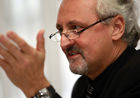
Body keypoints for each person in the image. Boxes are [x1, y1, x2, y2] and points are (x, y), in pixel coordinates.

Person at [0, 0, 140, 98]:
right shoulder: (82, 86)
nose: (63, 43)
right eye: (61, 31)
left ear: (116, 28)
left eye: (75, 28)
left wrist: (38, 87)